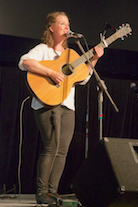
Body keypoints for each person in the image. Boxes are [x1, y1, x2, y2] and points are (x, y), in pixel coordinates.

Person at [18, 11, 104, 205]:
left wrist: (95, 59)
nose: (67, 27)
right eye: (63, 24)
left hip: (67, 105)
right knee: (51, 146)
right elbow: (24, 62)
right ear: (52, 28)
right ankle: (42, 192)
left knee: (62, 150)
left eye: (68, 24)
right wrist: (50, 72)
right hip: (47, 102)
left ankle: (52, 192)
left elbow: (83, 77)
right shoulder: (43, 49)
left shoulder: (71, 54)